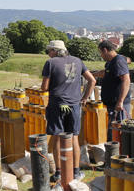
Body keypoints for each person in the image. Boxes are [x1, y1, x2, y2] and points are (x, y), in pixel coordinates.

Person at [40, 40, 95, 181]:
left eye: (49, 51)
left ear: (54, 50)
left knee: (57, 136)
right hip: (74, 105)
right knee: (74, 137)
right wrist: (85, 98)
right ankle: (76, 171)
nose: (48, 54)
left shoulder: (50, 63)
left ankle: (58, 172)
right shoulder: (78, 61)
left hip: (57, 105)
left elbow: (44, 87)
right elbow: (92, 80)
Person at [98, 39, 132, 134]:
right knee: (111, 132)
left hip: (118, 105)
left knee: (117, 133)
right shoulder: (111, 62)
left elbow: (126, 80)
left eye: (101, 52)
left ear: (105, 50)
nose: (101, 55)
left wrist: (120, 101)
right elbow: (105, 73)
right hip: (111, 104)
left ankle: (119, 149)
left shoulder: (118, 61)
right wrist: (91, 74)